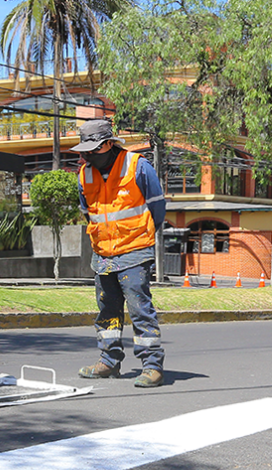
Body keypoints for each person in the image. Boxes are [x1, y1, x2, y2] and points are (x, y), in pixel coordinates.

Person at [72, 119, 168, 388]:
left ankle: (152, 366)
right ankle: (109, 361)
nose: (87, 156)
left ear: (108, 144)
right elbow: (87, 213)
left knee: (140, 310)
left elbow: (156, 209)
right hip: (102, 254)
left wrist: (141, 237)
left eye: (92, 150)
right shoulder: (84, 174)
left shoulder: (137, 166)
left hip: (135, 251)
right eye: (84, 151)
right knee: (107, 311)